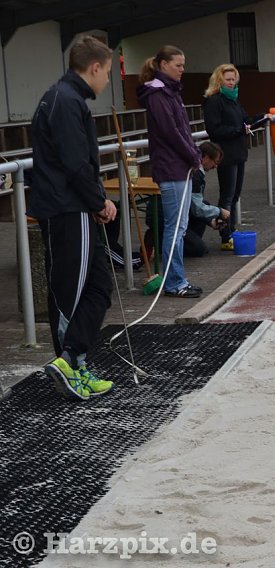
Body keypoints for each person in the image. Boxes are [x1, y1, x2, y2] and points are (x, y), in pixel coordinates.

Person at [29, 35, 117, 400]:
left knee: (99, 285)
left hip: (72, 206)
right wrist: (99, 202)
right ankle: (69, 365)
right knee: (70, 291)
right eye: (108, 72)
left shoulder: (64, 97)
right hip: (68, 209)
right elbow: (75, 162)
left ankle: (75, 359)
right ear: (94, 67)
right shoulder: (65, 101)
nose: (108, 80)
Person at [137, 45, 203, 298]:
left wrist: (192, 154)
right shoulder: (158, 94)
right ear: (163, 64)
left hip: (180, 167)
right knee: (174, 228)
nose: (182, 69)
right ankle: (174, 282)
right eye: (178, 65)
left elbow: (182, 129)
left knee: (180, 226)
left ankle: (177, 279)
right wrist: (192, 155)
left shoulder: (170, 92)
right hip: (172, 168)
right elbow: (170, 131)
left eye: (183, 65)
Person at [203, 63, 266, 251]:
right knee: (227, 195)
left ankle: (232, 230)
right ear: (219, 81)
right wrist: (238, 130)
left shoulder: (234, 100)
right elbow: (214, 130)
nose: (231, 83)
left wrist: (258, 119)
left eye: (233, 80)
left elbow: (244, 120)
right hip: (226, 154)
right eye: (228, 80)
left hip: (239, 152)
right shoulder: (214, 101)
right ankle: (226, 235)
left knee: (235, 194)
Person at [147, 142, 230, 257]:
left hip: (173, 211)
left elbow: (194, 204)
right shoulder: (195, 174)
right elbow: (196, 208)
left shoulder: (194, 170)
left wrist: (210, 221)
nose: (216, 166)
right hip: (165, 217)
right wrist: (219, 212)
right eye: (215, 162)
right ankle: (160, 242)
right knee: (199, 249)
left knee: (204, 204)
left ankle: (185, 240)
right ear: (205, 158)